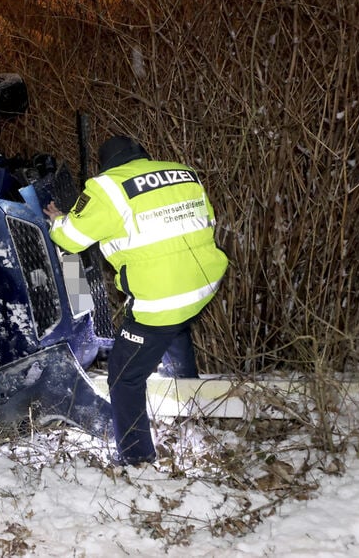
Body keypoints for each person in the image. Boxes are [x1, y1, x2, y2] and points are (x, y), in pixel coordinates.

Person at [45, 135, 228, 466]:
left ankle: (136, 458)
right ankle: (189, 406)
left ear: (107, 164)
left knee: (124, 376)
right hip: (201, 286)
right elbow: (208, 222)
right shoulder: (183, 172)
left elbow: (70, 240)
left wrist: (58, 219)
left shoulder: (107, 188)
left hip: (161, 298)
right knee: (175, 329)